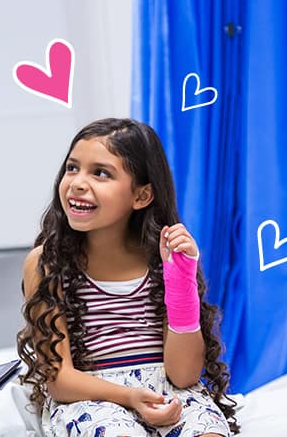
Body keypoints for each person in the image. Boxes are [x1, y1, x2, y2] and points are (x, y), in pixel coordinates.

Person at [16, 118, 238, 436]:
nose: (77, 182)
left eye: (101, 173)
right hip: (91, 396)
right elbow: (60, 380)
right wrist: (131, 398)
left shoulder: (165, 259)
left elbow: (184, 375)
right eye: (72, 168)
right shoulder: (46, 263)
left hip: (166, 391)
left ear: (142, 196)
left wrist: (180, 279)